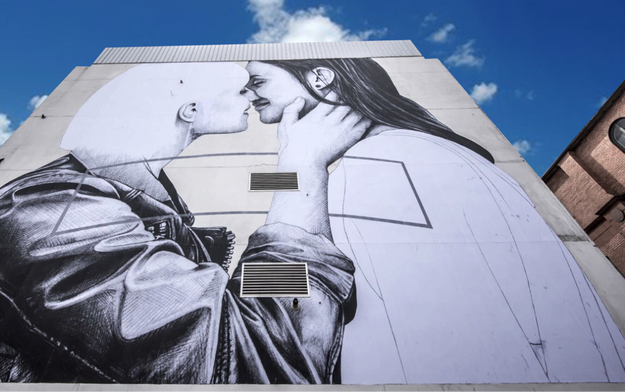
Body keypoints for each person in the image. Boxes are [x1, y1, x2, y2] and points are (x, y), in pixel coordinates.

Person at [0, 62, 369, 384]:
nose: (249, 94)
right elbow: (256, 360)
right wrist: (304, 166)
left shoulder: (153, 217)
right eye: (240, 87)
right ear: (189, 110)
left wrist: (298, 169)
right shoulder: (56, 209)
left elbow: (234, 294)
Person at [241, 58, 625, 384]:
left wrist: (240, 281)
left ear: (320, 77)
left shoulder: (382, 163)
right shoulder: (411, 152)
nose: (248, 94)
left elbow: (314, 295)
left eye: (257, 80)